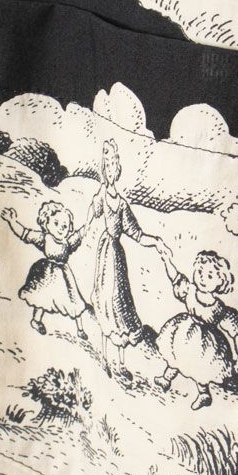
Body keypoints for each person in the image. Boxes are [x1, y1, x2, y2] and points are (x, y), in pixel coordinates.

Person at [87, 138, 169, 379]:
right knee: (105, 301)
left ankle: (121, 363)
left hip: (117, 255)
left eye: (114, 165)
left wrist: (156, 242)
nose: (111, 170)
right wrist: (85, 224)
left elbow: (137, 233)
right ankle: (104, 357)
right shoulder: (101, 196)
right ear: (103, 169)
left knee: (120, 303)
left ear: (118, 168)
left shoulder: (122, 204)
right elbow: (92, 214)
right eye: (107, 165)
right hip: (106, 253)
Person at [154, 249, 238, 409]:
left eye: (210, 276)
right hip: (183, 331)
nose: (203, 278)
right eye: (200, 272)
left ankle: (204, 394)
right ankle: (166, 379)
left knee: (201, 370)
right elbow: (175, 277)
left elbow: (237, 333)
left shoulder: (219, 308)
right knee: (175, 355)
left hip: (205, 343)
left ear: (221, 282)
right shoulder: (190, 290)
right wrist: (166, 259)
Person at [1, 201, 88, 336]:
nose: (60, 228)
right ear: (46, 223)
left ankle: (80, 329)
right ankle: (36, 321)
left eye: (65, 226)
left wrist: (91, 221)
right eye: (56, 223)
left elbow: (81, 233)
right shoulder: (44, 238)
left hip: (64, 276)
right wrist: (12, 221)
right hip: (47, 274)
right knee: (42, 299)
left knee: (73, 299)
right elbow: (25, 233)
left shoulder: (68, 243)